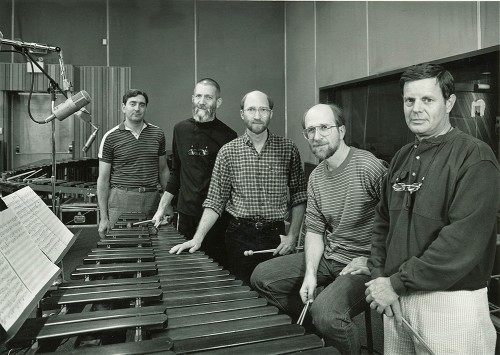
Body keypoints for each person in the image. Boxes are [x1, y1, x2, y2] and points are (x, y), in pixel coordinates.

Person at [365, 63, 499, 354]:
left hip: (451, 302)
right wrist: (379, 276)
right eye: (409, 100)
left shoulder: (475, 156)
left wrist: (396, 282)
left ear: (449, 102)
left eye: (428, 99)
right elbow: (382, 224)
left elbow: (460, 243)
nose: (416, 108)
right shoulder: (401, 157)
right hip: (397, 297)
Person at [251, 103, 388, 355]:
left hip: (363, 264)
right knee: (262, 277)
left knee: (327, 313)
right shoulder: (315, 177)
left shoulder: (368, 167)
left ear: (342, 130)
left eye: (325, 127)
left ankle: (333, 333)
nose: (316, 136)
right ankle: (319, 337)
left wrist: (374, 261)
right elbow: (314, 230)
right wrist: (310, 274)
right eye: (310, 130)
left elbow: (398, 220)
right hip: (331, 256)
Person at [169, 90, 307, 285]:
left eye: (263, 109)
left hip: (276, 238)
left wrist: (292, 235)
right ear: (242, 114)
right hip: (239, 237)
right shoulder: (228, 152)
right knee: (243, 295)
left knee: (277, 297)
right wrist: (197, 238)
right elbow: (216, 200)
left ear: (271, 113)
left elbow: (299, 195)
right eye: (251, 109)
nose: (257, 116)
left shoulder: (288, 148)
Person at [152, 78, 237, 267]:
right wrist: (161, 208)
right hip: (186, 213)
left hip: (216, 216)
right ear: (192, 98)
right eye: (198, 96)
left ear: (218, 102)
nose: (202, 101)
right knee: (184, 266)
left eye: (208, 97)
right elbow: (176, 173)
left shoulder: (229, 136)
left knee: (215, 268)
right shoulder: (180, 129)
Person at [97, 89, 169, 237]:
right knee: (121, 249)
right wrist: (103, 218)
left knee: (152, 248)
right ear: (124, 107)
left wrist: (167, 206)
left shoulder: (158, 134)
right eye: (132, 104)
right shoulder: (110, 137)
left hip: (152, 199)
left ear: (146, 108)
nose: (137, 108)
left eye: (142, 105)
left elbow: (163, 171)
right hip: (121, 200)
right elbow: (103, 180)